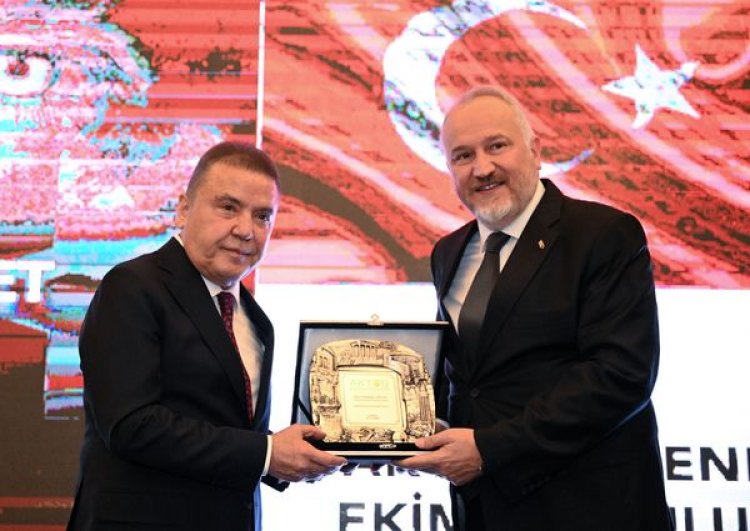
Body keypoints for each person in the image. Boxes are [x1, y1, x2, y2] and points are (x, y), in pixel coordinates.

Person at [397, 87, 674, 531]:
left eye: (496, 146)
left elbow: (620, 376)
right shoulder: (448, 252)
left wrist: (489, 450)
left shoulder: (603, 234)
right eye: (463, 156)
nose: (482, 168)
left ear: (536, 151)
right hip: (485, 511)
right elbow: (466, 379)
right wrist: (391, 433)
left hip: (590, 509)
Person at [66, 141, 346, 531]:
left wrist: (300, 455)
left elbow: (227, 430)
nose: (246, 230)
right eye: (228, 207)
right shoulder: (132, 287)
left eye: (262, 216)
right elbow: (132, 426)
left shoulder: (254, 318)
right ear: (183, 209)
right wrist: (267, 453)